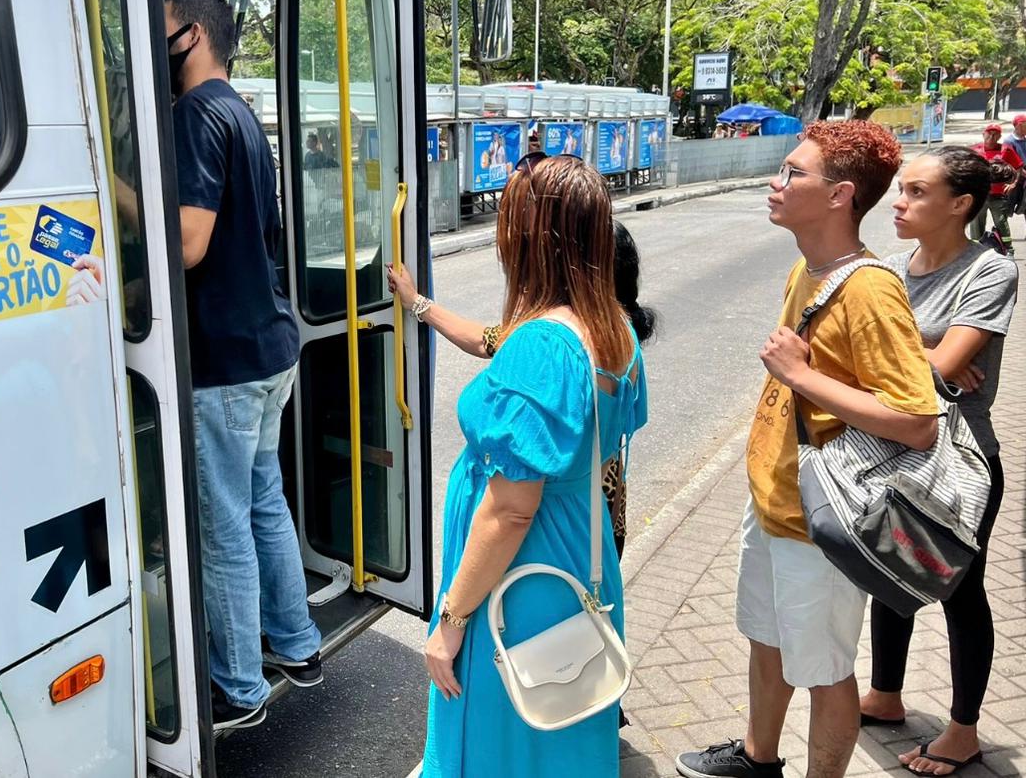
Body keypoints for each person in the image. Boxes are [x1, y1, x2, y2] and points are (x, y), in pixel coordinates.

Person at [676, 121, 939, 778]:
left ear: (839, 196)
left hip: (825, 522)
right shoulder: (809, 268)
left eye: (795, 173)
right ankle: (759, 760)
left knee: (825, 670)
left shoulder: (870, 290)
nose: (777, 180)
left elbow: (916, 420)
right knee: (766, 639)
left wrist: (802, 376)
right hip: (776, 502)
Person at [419, 156, 648, 777]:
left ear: (528, 237)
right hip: (577, 556)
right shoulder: (615, 329)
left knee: (499, 739)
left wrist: (451, 619)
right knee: (561, 731)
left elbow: (511, 507)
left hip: (518, 578)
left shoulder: (541, 345)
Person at [164, 0, 317, 731]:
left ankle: (240, 689)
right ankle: (296, 643)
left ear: (190, 35)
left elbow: (188, 245)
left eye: (158, 30)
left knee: (223, 524)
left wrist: (126, 196)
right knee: (264, 503)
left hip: (222, 361)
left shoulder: (193, 116)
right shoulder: (243, 114)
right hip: (271, 349)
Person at [858, 147, 1017, 777]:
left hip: (961, 461)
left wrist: (917, 355)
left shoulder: (990, 271)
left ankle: (964, 730)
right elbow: (852, 354)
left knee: (960, 590)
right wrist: (929, 352)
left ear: (961, 205)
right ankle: (886, 694)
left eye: (916, 192)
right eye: (900, 189)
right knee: (889, 575)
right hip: (894, 449)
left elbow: (947, 370)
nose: (899, 202)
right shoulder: (892, 272)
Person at [387, 210, 656, 558]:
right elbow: (485, 339)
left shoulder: (555, 345)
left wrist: (452, 612)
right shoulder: (623, 337)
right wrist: (419, 304)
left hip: (547, 542)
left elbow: (513, 510)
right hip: (596, 524)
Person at [968, 124, 1022, 253]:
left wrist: (1013, 183)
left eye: (995, 134)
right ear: (983, 134)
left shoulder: (1006, 150)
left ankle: (1008, 249)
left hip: (999, 195)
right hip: (979, 194)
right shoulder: (974, 150)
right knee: (976, 223)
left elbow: (1018, 167)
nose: (991, 137)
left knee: (1001, 222)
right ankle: (975, 250)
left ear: (999, 136)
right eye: (989, 133)